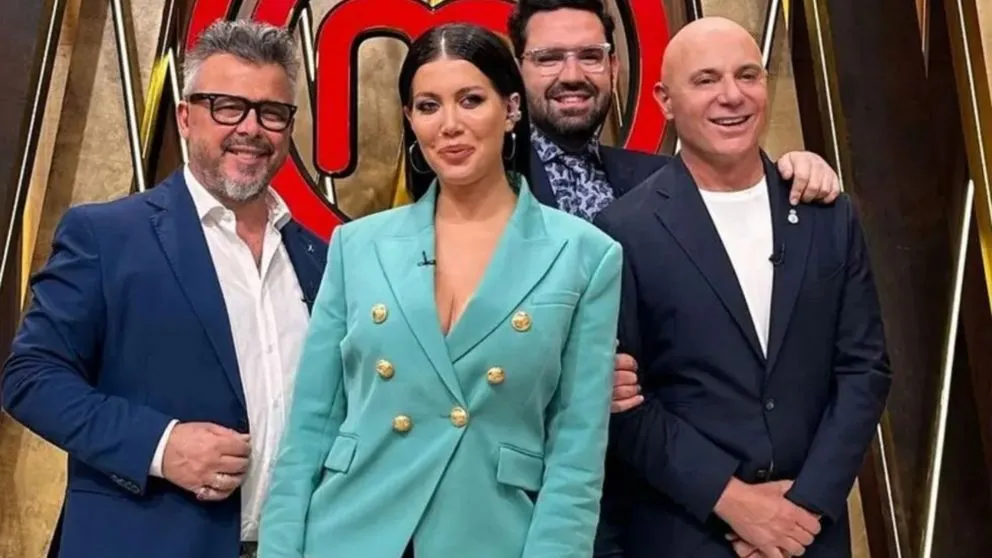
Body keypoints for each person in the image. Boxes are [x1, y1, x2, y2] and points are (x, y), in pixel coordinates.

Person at [259, 23, 621, 558]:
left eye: (471, 100)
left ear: (511, 108)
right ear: (410, 120)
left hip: (490, 536)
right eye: (428, 106)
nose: (450, 125)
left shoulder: (585, 255)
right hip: (350, 533)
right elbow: (310, 427)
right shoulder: (358, 246)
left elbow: (576, 454)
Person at [1, 21, 325, 558]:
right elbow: (30, 377)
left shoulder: (319, 256)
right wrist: (161, 444)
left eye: (271, 112)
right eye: (227, 107)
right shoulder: (107, 236)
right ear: (185, 117)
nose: (250, 128)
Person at [592, 16, 892, 558]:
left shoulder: (826, 214)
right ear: (664, 100)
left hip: (811, 535)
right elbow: (622, 402)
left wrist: (804, 506)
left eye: (747, 75)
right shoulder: (623, 230)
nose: (731, 95)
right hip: (688, 531)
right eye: (706, 80)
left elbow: (864, 369)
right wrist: (734, 502)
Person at [507, 0, 845, 414]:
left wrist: (794, 171)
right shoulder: (483, 195)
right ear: (517, 72)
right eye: (549, 58)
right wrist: (569, 380)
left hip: (679, 439)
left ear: (614, 68)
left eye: (591, 56)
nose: (572, 75)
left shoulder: (662, 179)